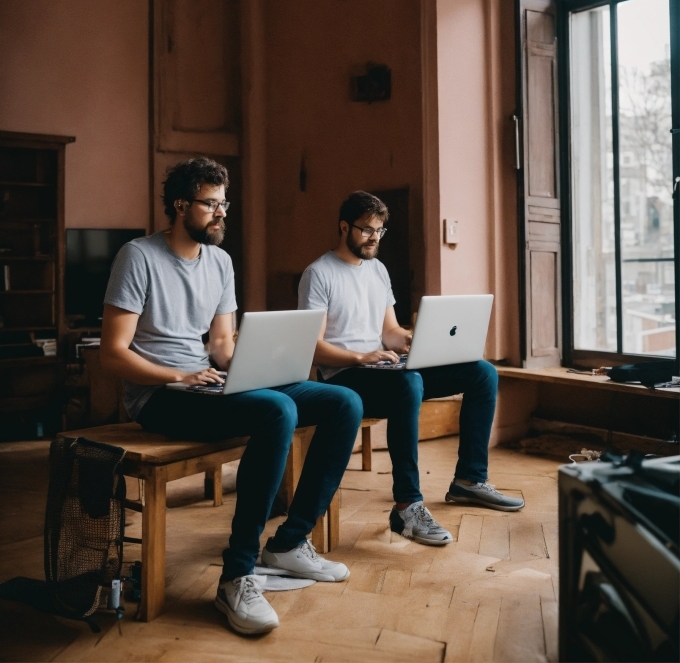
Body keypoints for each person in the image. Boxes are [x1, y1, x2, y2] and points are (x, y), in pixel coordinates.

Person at [100, 158, 363, 636]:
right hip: (160, 395)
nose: (222, 214)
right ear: (181, 205)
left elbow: (222, 346)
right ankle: (237, 574)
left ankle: (288, 541)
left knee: (342, 402)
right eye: (211, 204)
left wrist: (258, 364)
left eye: (225, 204)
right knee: (277, 410)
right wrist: (182, 372)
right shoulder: (137, 256)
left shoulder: (220, 261)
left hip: (205, 382)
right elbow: (114, 354)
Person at [298, 190, 524, 548]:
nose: (374, 237)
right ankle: (407, 505)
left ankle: (469, 480)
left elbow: (389, 331)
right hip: (345, 376)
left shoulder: (377, 270)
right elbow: (313, 347)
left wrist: (413, 340)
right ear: (344, 227)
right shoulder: (319, 273)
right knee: (408, 384)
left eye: (380, 230)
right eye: (367, 230)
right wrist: (361, 357)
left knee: (482, 372)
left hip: (384, 368)